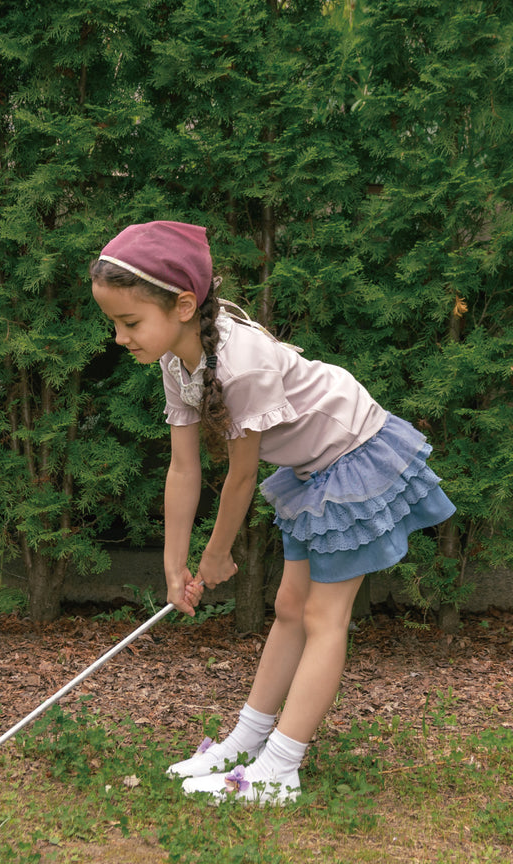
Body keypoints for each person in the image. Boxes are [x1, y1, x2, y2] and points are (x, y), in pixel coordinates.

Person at [90, 220, 456, 805]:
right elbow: (185, 469)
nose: (119, 337)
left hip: (356, 459)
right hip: (315, 470)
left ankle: (281, 768)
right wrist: (174, 564)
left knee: (323, 618)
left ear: (184, 306)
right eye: (115, 323)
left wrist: (216, 554)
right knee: (288, 606)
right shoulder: (177, 363)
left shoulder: (243, 363)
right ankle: (247, 741)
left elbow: (239, 478)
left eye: (129, 322)